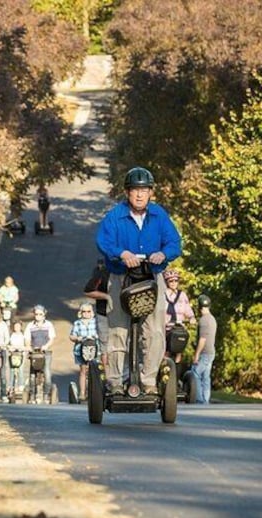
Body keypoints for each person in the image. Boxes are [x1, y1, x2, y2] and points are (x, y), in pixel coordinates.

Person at [96, 166, 182, 395]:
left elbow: (174, 242)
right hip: (121, 276)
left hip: (151, 277)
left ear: (151, 193)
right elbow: (103, 242)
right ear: (127, 192)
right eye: (135, 190)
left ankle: (149, 380)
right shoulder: (115, 216)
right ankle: (115, 381)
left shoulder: (159, 215)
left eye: (144, 190)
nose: (140, 195)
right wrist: (121, 253)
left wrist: (164, 254)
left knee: (154, 331)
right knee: (118, 329)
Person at [163, 268, 196, 363]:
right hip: (166, 327)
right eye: (171, 281)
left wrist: (191, 317)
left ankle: (177, 370)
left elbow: (187, 309)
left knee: (179, 348)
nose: (173, 283)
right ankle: (163, 369)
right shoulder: (163, 295)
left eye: (176, 280)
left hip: (179, 327)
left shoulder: (182, 295)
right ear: (166, 282)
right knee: (165, 350)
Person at [69, 302, 99, 400]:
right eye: (84, 311)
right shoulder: (77, 323)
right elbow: (71, 336)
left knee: (94, 370)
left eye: (88, 311)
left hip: (95, 350)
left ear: (92, 312)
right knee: (83, 370)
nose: (86, 313)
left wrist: (95, 337)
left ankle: (95, 391)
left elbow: (103, 334)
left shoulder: (96, 322)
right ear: (80, 313)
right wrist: (78, 338)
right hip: (81, 350)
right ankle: (82, 393)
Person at [24, 304, 56, 394]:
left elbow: (52, 338)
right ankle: (32, 393)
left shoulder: (48, 324)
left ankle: (46, 394)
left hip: (46, 353)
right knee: (32, 375)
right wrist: (28, 347)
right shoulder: (30, 325)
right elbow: (27, 339)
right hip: (34, 353)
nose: (38, 316)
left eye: (40, 314)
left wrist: (46, 346)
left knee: (47, 373)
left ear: (44, 315)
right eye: (36, 314)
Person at [84, 258, 110, 365]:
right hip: (103, 313)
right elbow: (88, 291)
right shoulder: (102, 273)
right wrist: (106, 296)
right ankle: (107, 376)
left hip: (123, 314)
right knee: (105, 346)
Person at [192, 294, 217, 404]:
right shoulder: (212, 319)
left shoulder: (203, 320)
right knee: (206, 376)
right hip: (211, 351)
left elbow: (202, 339)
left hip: (205, 353)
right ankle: (205, 400)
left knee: (195, 373)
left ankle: (200, 399)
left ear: (199, 307)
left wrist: (196, 354)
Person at [8, 320, 27, 395]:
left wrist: (22, 349)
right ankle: (11, 385)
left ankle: (21, 385)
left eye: (18, 326)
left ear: (21, 327)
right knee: (12, 370)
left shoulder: (23, 335)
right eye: (15, 326)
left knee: (20, 370)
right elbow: (8, 344)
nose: (17, 328)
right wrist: (10, 348)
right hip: (12, 355)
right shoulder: (11, 335)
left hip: (21, 355)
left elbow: (26, 345)